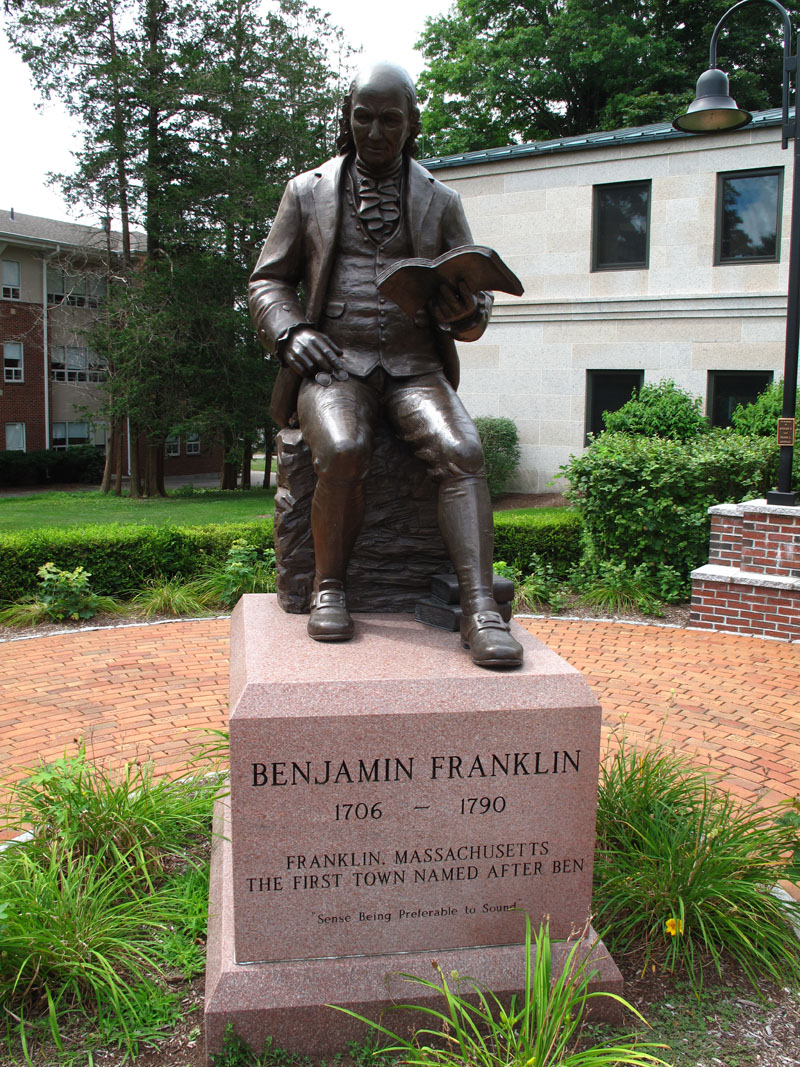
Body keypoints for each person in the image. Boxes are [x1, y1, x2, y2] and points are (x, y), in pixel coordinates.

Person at [249, 62, 523, 669]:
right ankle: (329, 586)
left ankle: (479, 609)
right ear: (346, 119)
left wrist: (463, 311)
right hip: (334, 365)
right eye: (363, 117)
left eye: (390, 119)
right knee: (343, 449)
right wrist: (292, 333)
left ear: (411, 124)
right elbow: (268, 280)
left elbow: (474, 302)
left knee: (463, 451)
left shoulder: (441, 200)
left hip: (414, 364)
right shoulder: (306, 191)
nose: (375, 131)